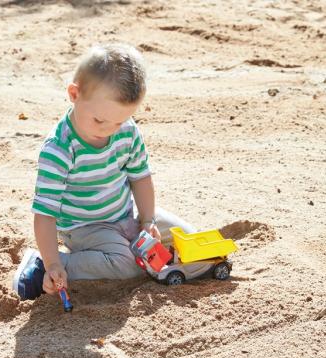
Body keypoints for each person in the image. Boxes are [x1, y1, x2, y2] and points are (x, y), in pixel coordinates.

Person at [12, 43, 194, 300]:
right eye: (99, 120)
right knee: (130, 264)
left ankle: (135, 242)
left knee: (183, 238)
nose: (109, 129)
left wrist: (147, 221)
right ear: (74, 94)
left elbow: (140, 177)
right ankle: (48, 266)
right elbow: (45, 213)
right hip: (85, 226)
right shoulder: (59, 149)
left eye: (118, 121)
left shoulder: (127, 131)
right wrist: (53, 263)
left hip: (124, 213)